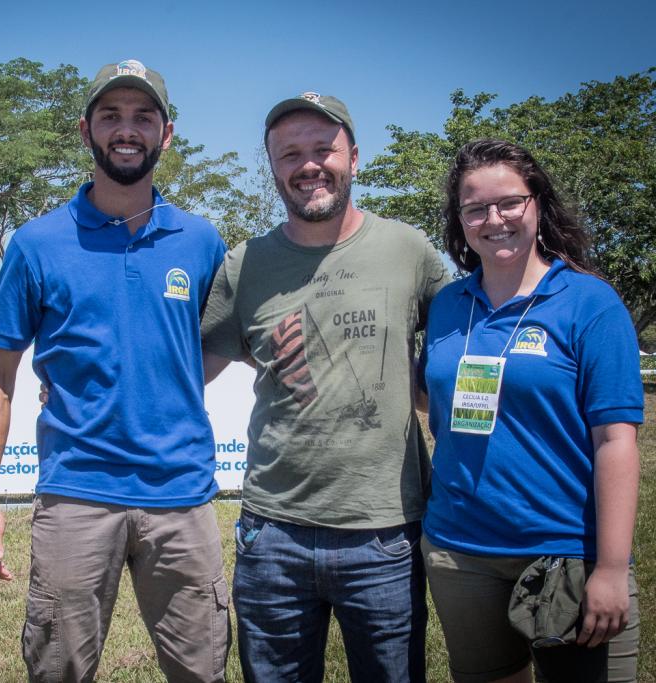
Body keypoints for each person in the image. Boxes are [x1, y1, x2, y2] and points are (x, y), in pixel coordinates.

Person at [0, 59, 230, 683]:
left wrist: (164, 383)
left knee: (204, 672)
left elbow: (216, 346)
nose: (127, 129)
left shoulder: (201, 241)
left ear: (167, 133)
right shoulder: (37, 242)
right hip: (76, 495)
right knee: (57, 671)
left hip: (182, 498)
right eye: (111, 116)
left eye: (144, 116)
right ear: (86, 130)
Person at [201, 92, 449, 682]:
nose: (308, 165)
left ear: (354, 158)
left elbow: (458, 353)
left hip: (385, 534)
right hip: (272, 536)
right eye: (290, 154)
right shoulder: (245, 265)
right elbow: (190, 369)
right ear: (274, 169)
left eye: (323, 150)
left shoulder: (408, 251)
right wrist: (83, 385)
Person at [419, 138, 642, 682]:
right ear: (460, 220)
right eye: (475, 208)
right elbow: (433, 395)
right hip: (459, 552)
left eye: (509, 202)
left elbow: (616, 440)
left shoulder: (589, 303)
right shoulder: (450, 304)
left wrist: (610, 569)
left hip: (564, 551)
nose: (493, 219)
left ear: (537, 203)